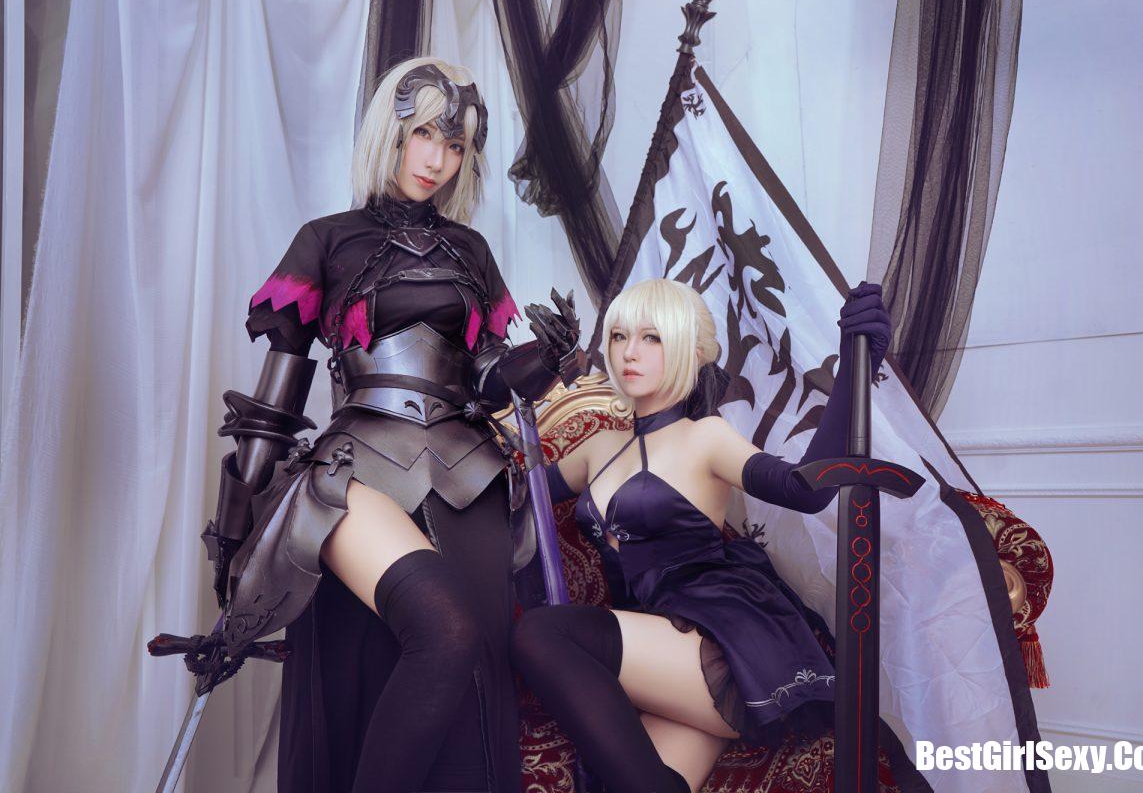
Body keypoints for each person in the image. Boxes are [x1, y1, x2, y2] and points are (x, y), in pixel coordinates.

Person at [198, 57, 582, 792]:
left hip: (470, 478)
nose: (437, 159)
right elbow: (270, 411)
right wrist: (234, 556)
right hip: (358, 469)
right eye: (424, 135)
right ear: (391, 132)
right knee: (423, 640)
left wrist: (547, 358)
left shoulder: (472, 251)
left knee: (469, 682)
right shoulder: (326, 240)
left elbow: (490, 381)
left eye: (456, 144)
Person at [509, 277, 892, 792]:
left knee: (541, 632)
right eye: (619, 336)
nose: (629, 352)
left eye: (652, 337)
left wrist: (852, 371)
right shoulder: (598, 447)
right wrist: (531, 372)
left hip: (716, 643)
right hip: (654, 656)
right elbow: (513, 495)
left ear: (688, 350)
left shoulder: (705, 437)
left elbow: (807, 491)